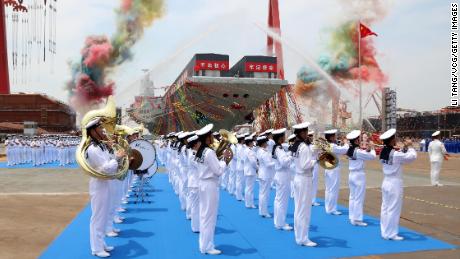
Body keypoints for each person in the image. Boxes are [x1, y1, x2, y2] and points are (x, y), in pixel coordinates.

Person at [85, 118, 125, 257]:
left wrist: (113, 154)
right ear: (93, 131)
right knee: (98, 217)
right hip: (99, 184)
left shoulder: (101, 146)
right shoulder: (92, 149)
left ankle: (101, 244)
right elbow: (106, 169)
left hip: (106, 183)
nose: (103, 131)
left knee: (104, 214)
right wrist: (117, 158)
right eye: (100, 128)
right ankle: (96, 248)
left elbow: (110, 164)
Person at [379, 128, 417, 241]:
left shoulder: (383, 151)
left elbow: (398, 155)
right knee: (393, 209)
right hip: (394, 182)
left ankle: (385, 232)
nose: (395, 139)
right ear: (391, 141)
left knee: (385, 208)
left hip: (386, 181)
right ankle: (391, 234)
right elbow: (412, 157)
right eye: (394, 138)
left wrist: (403, 148)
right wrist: (410, 146)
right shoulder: (395, 154)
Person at [195, 124, 227, 255]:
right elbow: (218, 171)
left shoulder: (200, 151)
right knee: (210, 217)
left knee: (204, 215)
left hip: (203, 184)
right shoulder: (209, 152)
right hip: (210, 185)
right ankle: (207, 246)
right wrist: (225, 161)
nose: (213, 137)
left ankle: (204, 245)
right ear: (207, 138)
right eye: (211, 135)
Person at [290, 122, 318, 247]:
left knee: (298, 208)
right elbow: (305, 165)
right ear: (301, 133)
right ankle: (303, 238)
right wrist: (316, 160)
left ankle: (299, 236)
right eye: (306, 132)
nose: (307, 134)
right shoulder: (303, 147)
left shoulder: (296, 145)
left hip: (298, 178)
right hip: (304, 179)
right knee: (304, 210)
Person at [346, 130, 376, 227]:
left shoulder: (351, 150)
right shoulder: (358, 151)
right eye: (358, 139)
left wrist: (366, 149)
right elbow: (372, 157)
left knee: (353, 197)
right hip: (359, 175)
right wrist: (372, 148)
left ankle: (352, 216)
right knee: (359, 197)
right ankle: (357, 219)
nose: (360, 140)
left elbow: (362, 153)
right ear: (355, 141)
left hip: (351, 175)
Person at [272, 128, 294, 231]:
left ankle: (278, 222)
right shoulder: (278, 149)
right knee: (282, 200)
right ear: (280, 138)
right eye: (283, 136)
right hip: (282, 175)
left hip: (281, 175)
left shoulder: (278, 148)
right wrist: (292, 156)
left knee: (279, 199)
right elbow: (284, 162)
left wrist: (289, 154)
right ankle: (281, 223)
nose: (285, 137)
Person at [323, 129, 349, 215]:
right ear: (331, 137)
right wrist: (346, 143)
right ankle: (332, 209)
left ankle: (328, 207)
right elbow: (344, 150)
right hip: (333, 169)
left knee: (328, 189)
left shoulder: (326, 145)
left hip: (328, 167)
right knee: (333, 189)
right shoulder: (332, 146)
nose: (335, 137)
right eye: (334, 136)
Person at [256, 136, 275, 217]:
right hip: (265, 175)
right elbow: (268, 164)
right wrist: (276, 162)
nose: (267, 143)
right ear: (263, 143)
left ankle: (262, 211)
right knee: (265, 194)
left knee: (262, 193)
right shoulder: (263, 152)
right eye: (266, 142)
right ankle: (264, 211)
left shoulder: (260, 151)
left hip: (263, 174)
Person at [187, 134, 201, 233]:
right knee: (196, 206)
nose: (201, 143)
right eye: (199, 142)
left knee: (196, 205)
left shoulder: (194, 153)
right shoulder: (193, 155)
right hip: (195, 183)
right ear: (195, 144)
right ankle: (196, 227)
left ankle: (197, 225)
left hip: (195, 182)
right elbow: (200, 166)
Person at [243, 136, 258, 209]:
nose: (253, 143)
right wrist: (257, 168)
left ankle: (248, 202)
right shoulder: (249, 151)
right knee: (250, 188)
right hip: (250, 171)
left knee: (248, 187)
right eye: (252, 142)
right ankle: (250, 203)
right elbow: (253, 162)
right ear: (249, 143)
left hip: (248, 170)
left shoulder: (246, 150)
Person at [308, 130, 320, 206]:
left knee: (312, 182)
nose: (311, 137)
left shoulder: (311, 145)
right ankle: (312, 200)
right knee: (313, 182)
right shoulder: (311, 146)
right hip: (313, 163)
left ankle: (311, 199)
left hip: (312, 164)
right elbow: (318, 148)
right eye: (310, 136)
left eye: (311, 136)